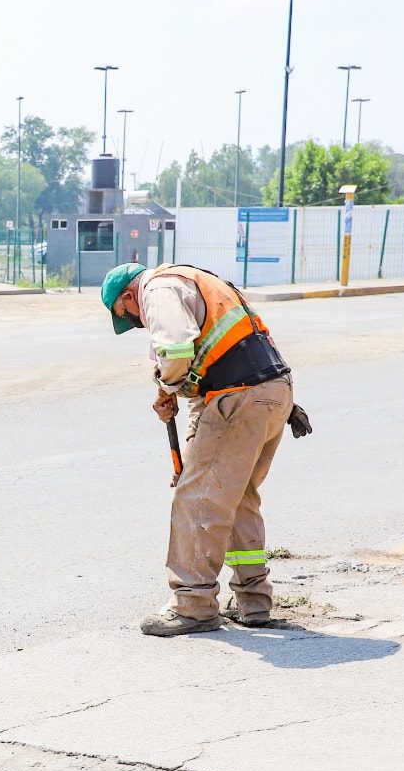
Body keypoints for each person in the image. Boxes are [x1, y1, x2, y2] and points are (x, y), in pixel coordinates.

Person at [103, 263, 310, 637]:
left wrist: (168, 383)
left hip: (237, 396)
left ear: (129, 298)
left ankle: (193, 606)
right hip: (274, 393)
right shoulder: (196, 281)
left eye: (129, 318)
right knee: (238, 497)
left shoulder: (157, 290)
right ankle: (253, 601)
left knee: (197, 500)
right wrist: (167, 392)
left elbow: (177, 346)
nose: (137, 323)